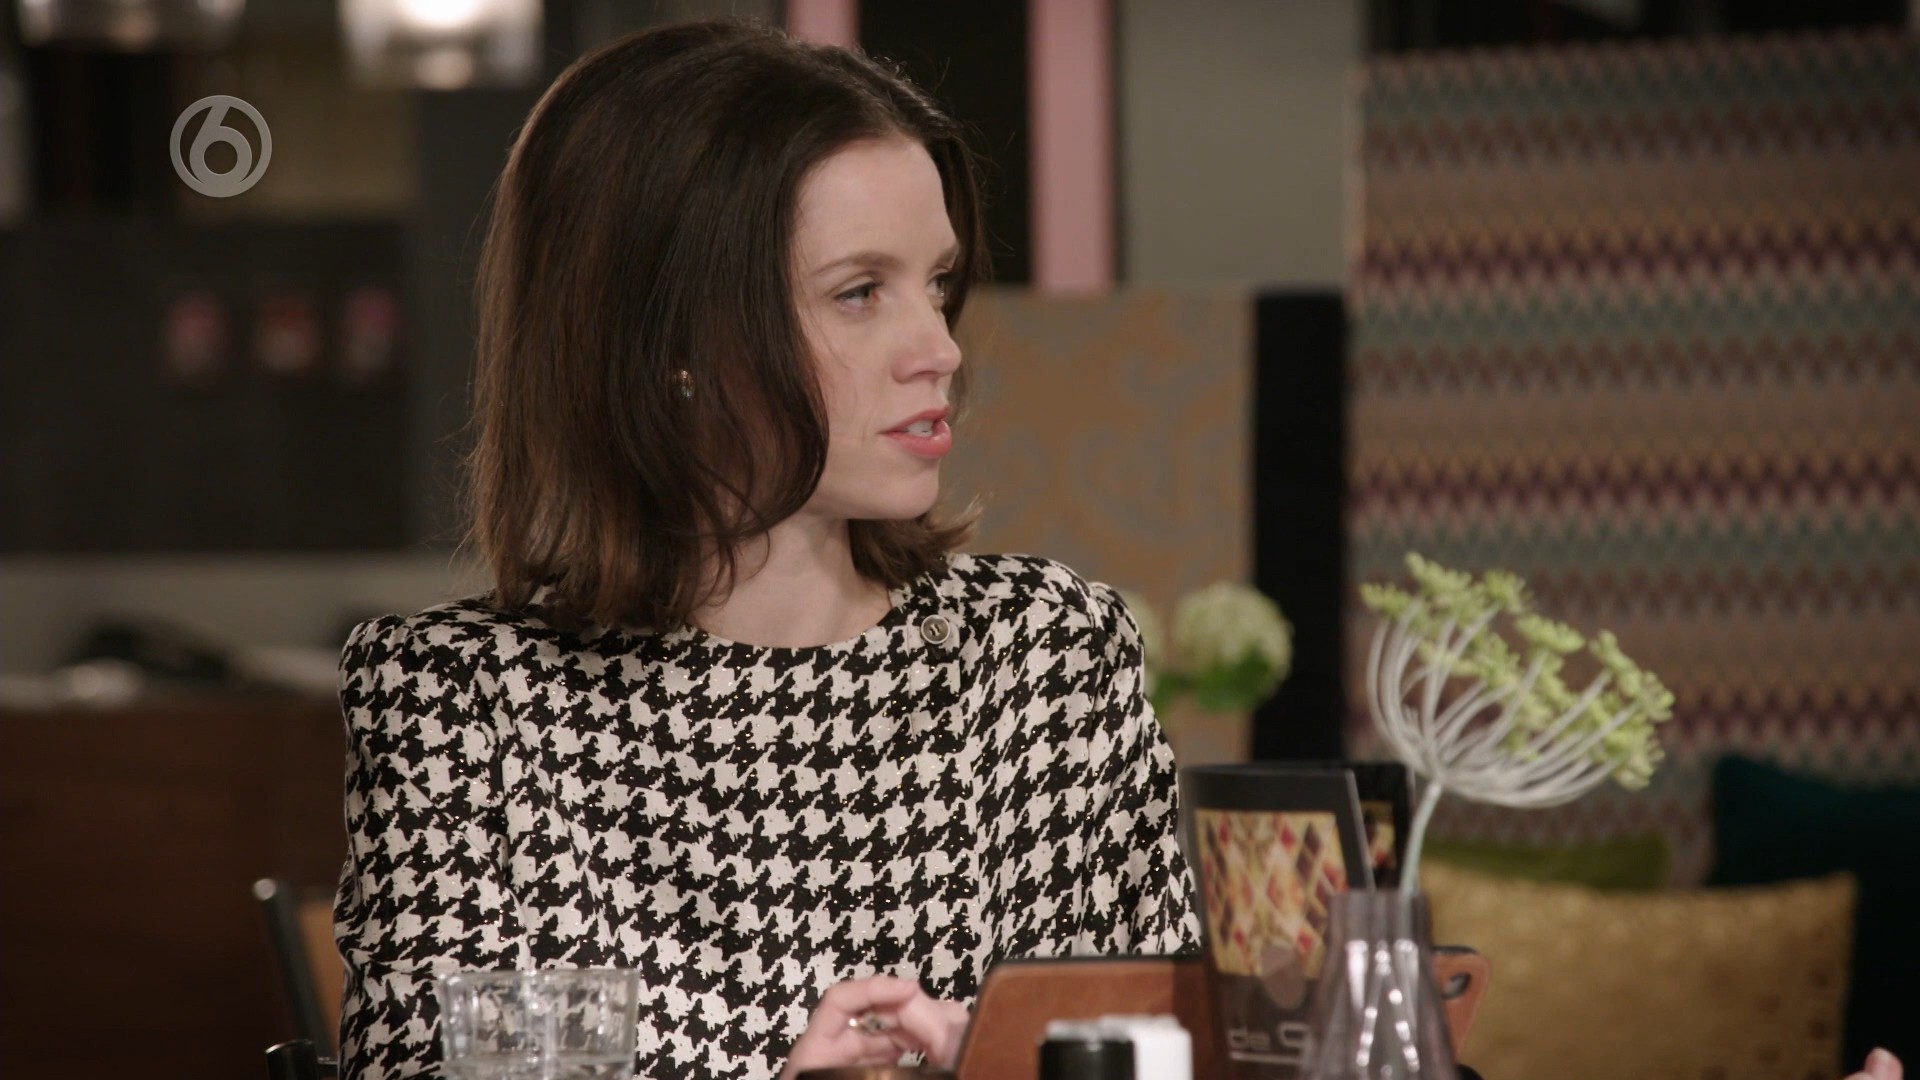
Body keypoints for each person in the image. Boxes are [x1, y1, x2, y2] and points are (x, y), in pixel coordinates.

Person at [330, 18, 1201, 1080]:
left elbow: (1169, 1060)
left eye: (936, 283)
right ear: (672, 342)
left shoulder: (1046, 655)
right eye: (859, 293)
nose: (938, 349)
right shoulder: (459, 704)